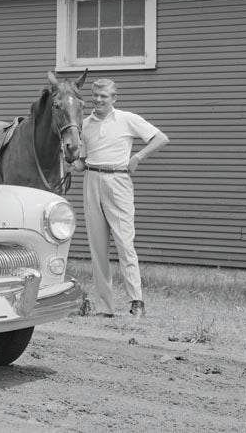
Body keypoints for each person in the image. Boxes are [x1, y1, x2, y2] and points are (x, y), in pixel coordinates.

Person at [72, 78, 169, 318]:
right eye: (95, 95)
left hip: (118, 181)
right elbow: (82, 163)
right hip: (92, 180)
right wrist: (70, 162)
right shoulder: (85, 124)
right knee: (98, 247)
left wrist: (138, 157)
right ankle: (105, 307)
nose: (98, 100)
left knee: (125, 243)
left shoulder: (127, 119)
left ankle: (137, 301)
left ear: (114, 98)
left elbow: (160, 138)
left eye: (104, 96)